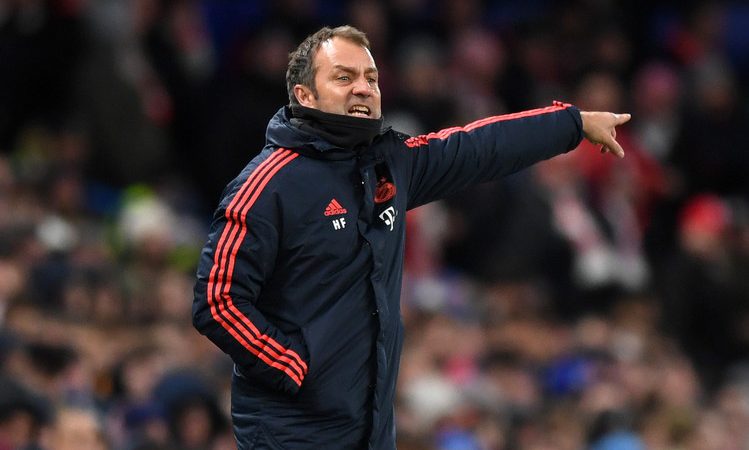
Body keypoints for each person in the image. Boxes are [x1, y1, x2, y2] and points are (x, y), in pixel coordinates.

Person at [192, 25, 630, 449]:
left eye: (370, 78)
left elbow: (479, 147)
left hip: (370, 430)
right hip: (291, 433)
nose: (363, 88)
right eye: (343, 77)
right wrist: (293, 366)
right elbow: (217, 299)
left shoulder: (390, 164)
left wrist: (572, 123)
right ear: (305, 95)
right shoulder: (268, 185)